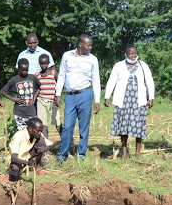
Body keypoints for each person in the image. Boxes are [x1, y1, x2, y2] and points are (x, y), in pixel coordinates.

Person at [54, 34, 101, 163]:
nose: (90, 48)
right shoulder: (67, 56)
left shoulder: (93, 59)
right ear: (80, 44)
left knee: (84, 127)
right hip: (70, 96)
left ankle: (81, 154)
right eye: (88, 45)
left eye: (91, 45)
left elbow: (96, 80)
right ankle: (62, 155)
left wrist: (97, 100)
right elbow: (62, 75)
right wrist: (57, 94)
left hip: (85, 94)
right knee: (68, 126)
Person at [103, 44, 155, 159]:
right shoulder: (119, 66)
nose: (133, 56)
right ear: (126, 54)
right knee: (123, 127)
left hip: (139, 101)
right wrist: (107, 97)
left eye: (135, 53)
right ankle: (124, 152)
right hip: (123, 101)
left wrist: (151, 97)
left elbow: (149, 81)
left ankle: (137, 152)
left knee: (139, 127)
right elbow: (112, 81)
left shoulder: (143, 65)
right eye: (131, 53)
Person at [1, 117, 54, 182]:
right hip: (18, 159)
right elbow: (13, 158)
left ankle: (37, 168)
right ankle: (10, 174)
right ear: (30, 129)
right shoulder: (19, 136)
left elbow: (51, 145)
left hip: (28, 156)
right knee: (15, 169)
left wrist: (46, 148)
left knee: (41, 141)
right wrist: (27, 163)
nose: (40, 133)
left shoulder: (37, 135)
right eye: (38, 131)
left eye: (41, 131)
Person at [0, 59, 40, 131]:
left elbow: (39, 87)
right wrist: (13, 99)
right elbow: (2, 91)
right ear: (18, 69)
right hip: (19, 113)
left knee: (32, 132)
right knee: (22, 134)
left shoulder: (33, 78)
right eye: (23, 70)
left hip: (31, 112)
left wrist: (34, 96)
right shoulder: (14, 80)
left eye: (26, 70)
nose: (25, 72)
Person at [35, 53, 60, 138]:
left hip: (52, 102)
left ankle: (66, 142)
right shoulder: (37, 75)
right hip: (41, 101)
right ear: (39, 63)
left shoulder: (53, 73)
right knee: (43, 126)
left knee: (58, 123)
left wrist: (57, 97)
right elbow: (37, 88)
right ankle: (46, 147)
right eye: (41, 64)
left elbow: (59, 85)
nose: (43, 65)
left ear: (48, 63)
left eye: (45, 63)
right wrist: (34, 98)